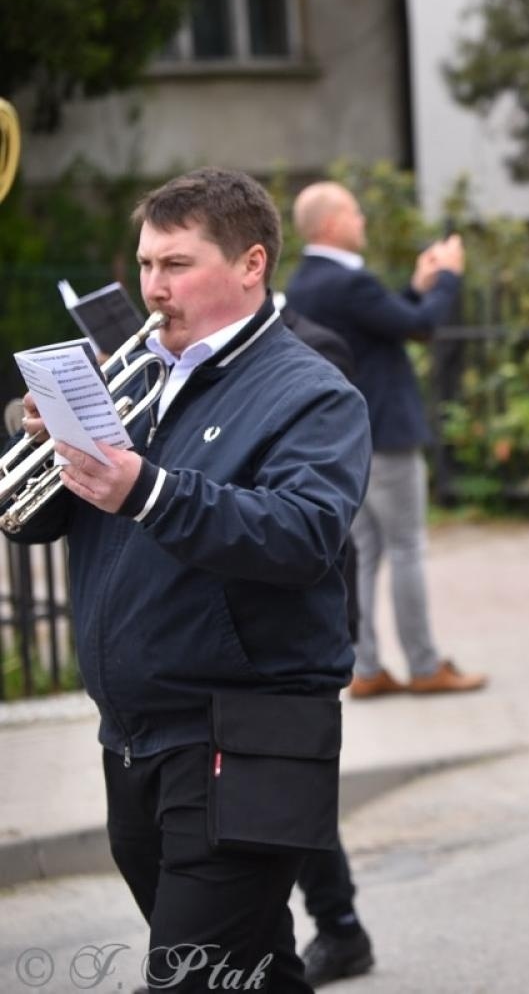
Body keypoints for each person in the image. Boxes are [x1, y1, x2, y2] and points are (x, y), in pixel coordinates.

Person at [5, 167, 372, 992]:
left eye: (175, 266)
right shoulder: (136, 379)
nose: (152, 288)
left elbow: (303, 535)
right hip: (133, 736)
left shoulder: (313, 390)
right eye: (144, 265)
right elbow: (32, 519)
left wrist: (146, 488)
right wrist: (47, 435)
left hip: (244, 733)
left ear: (250, 264)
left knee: (189, 977)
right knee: (250, 971)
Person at [285, 181, 486, 698]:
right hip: (387, 433)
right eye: (355, 212)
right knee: (407, 547)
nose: (363, 221)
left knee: (369, 550)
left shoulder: (307, 282)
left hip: (348, 438)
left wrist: (417, 286)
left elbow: (386, 326)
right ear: (330, 224)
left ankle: (367, 667)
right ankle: (423, 665)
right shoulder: (348, 282)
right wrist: (447, 280)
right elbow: (419, 324)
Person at [276, 296, 378, 987]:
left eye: (178, 264)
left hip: (305, 608)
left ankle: (338, 927)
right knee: (280, 791)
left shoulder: (316, 348)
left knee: (289, 790)